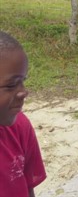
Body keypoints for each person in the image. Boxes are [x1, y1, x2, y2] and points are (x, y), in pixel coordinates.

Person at [0, 31, 46, 197]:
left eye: (22, 81)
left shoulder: (20, 125)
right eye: (11, 85)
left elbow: (28, 188)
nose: (23, 92)